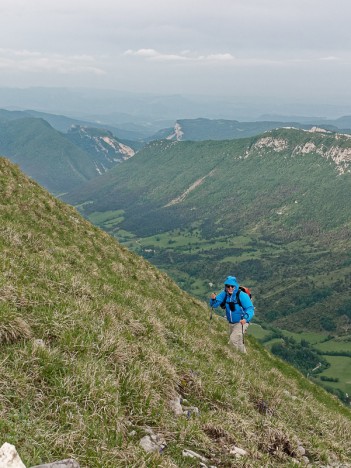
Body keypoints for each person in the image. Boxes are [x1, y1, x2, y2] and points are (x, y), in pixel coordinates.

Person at [209, 276, 254, 353]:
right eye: (228, 286)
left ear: (235, 286)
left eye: (232, 286)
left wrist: (245, 318)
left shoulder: (241, 295)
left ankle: (233, 358)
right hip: (231, 323)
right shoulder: (224, 294)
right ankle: (244, 357)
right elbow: (214, 305)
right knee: (239, 342)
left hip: (241, 322)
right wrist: (213, 299)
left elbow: (250, 309)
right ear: (225, 286)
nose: (230, 288)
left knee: (233, 340)